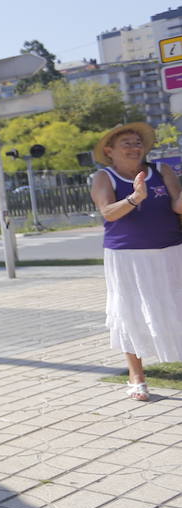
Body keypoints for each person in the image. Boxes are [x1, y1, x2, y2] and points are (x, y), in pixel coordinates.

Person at [88, 122, 182, 402]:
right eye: (126, 143)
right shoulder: (104, 177)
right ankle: (137, 376)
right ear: (110, 150)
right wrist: (134, 198)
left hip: (171, 251)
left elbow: (177, 204)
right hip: (128, 257)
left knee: (178, 307)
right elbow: (108, 212)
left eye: (137, 142)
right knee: (131, 312)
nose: (134, 147)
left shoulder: (161, 171)